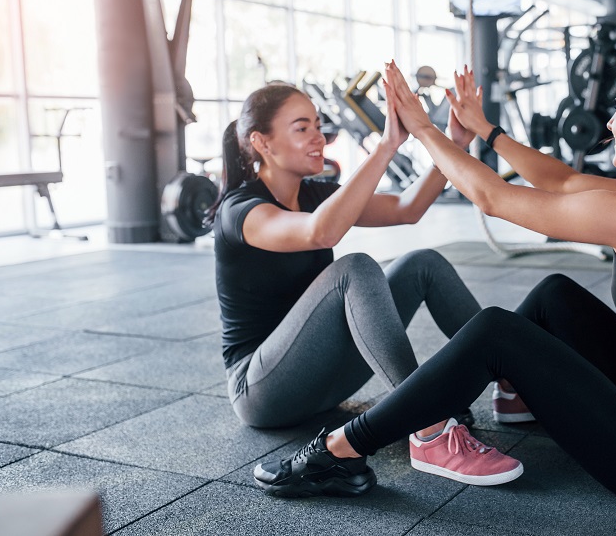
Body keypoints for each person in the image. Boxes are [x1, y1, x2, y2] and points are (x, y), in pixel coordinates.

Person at [255, 48, 616, 507]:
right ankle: (519, 396)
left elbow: (492, 198)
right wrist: (485, 130)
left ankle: (342, 449)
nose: (611, 121)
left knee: (496, 332)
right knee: (555, 296)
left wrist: (424, 131)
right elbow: (563, 181)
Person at [205, 81, 521, 497]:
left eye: (318, 125)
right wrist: (387, 144)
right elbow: (322, 232)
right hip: (262, 391)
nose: (319, 136)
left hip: (322, 380)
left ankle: (515, 385)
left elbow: (408, 209)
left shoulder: (315, 192)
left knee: (421, 263)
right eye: (302, 128)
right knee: (353, 269)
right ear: (262, 142)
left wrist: (452, 143)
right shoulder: (240, 211)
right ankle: (429, 431)